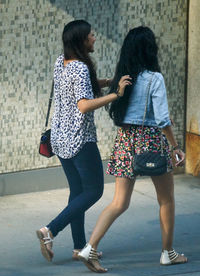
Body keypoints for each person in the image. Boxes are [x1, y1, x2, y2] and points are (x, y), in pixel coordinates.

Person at [78, 26, 188, 272]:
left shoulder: (123, 77)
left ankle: (90, 248)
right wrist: (176, 146)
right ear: (150, 50)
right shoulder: (154, 78)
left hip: (126, 140)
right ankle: (168, 253)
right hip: (150, 141)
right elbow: (162, 119)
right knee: (166, 199)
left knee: (119, 202)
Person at [36, 20, 131, 262]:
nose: (94, 37)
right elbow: (84, 104)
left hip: (59, 138)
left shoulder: (62, 62)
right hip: (79, 140)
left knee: (78, 192)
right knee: (94, 191)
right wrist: (116, 94)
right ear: (81, 40)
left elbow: (78, 89)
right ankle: (50, 230)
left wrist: (108, 82)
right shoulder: (79, 67)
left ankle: (79, 247)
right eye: (91, 35)